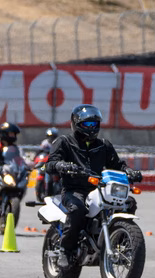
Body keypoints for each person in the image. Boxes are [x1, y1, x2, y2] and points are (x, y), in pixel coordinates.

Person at [46, 105, 142, 267]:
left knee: (128, 203)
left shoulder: (103, 145)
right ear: (76, 124)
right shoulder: (65, 142)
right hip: (74, 190)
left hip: (100, 188)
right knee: (78, 210)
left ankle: (120, 242)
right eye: (87, 124)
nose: (92, 128)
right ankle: (65, 250)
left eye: (94, 124)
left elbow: (117, 165)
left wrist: (129, 171)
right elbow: (49, 164)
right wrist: (61, 165)